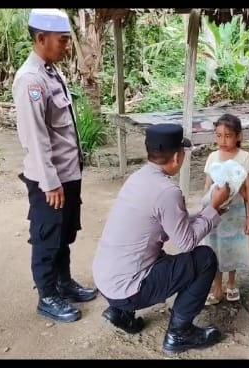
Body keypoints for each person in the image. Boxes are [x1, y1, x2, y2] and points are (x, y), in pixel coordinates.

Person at [92, 124, 231, 354]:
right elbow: (186, 242)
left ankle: (119, 312)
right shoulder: (168, 192)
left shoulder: (138, 178)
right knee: (205, 258)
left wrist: (209, 213)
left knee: (155, 255)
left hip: (106, 280)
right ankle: (179, 334)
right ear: (177, 157)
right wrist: (213, 207)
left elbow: (172, 227)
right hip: (128, 289)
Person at [13, 8, 97, 323]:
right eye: (62, 41)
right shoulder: (31, 80)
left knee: (65, 233)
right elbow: (35, 138)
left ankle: (64, 283)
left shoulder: (52, 71)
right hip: (51, 179)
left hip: (67, 174)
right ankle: (47, 296)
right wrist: (50, 183)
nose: (66, 46)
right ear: (41, 39)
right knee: (48, 235)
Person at [203, 114, 249, 305]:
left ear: (238, 136)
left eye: (228, 136)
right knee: (214, 248)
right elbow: (207, 185)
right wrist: (206, 210)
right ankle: (217, 286)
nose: (222, 140)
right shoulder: (212, 157)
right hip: (215, 211)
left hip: (235, 212)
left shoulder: (244, 157)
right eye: (218, 136)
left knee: (232, 247)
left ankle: (231, 283)